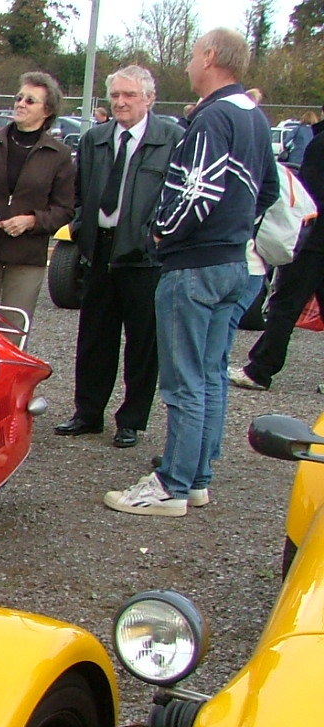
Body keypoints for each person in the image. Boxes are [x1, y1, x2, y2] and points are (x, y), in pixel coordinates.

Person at [104, 28, 277, 517]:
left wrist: (163, 232)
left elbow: (198, 191)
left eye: (193, 54)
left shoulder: (212, 117)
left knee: (183, 382)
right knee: (211, 375)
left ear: (210, 57)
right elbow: (268, 189)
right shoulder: (254, 116)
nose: (188, 64)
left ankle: (172, 485)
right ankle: (197, 478)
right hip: (234, 262)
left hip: (195, 265)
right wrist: (236, 228)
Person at [55, 65, 183, 449]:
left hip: (144, 256)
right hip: (99, 248)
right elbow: (78, 192)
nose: (121, 102)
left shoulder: (172, 139)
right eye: (115, 95)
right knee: (95, 337)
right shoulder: (94, 139)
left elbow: (176, 194)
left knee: (142, 343)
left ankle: (131, 420)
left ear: (149, 98)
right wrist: (81, 227)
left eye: (129, 95)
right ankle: (87, 412)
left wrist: (154, 235)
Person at [0, 71, 74, 317]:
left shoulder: (60, 155)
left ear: (47, 111)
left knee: (13, 326)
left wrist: (32, 221)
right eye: (19, 98)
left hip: (26, 255)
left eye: (30, 101)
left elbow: (64, 210)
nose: (21, 104)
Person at [228, 117, 324, 392]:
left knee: (285, 305)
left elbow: (309, 196)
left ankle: (261, 369)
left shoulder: (318, 145)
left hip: (313, 240)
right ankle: (261, 366)